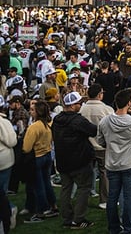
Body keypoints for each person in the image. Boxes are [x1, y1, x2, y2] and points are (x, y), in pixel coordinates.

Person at [97, 88, 131, 234]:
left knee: (113, 198)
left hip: (113, 164)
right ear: (129, 103)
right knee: (128, 197)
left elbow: (100, 141)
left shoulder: (105, 121)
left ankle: (114, 228)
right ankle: (128, 228)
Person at [51, 91, 98, 229]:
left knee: (66, 189)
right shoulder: (78, 120)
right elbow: (93, 130)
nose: (81, 105)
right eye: (79, 103)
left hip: (63, 161)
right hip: (79, 162)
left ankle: (67, 218)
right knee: (84, 188)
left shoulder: (57, 119)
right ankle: (78, 219)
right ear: (72, 105)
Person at [79, 84, 114, 209]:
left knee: (87, 173)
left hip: (86, 146)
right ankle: (104, 200)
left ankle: (85, 197)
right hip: (102, 146)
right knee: (104, 173)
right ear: (100, 95)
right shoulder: (107, 110)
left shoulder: (82, 110)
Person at [22, 100, 56, 223]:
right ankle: (53, 206)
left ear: (38, 112)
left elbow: (26, 147)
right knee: (46, 183)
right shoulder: (49, 124)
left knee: (38, 186)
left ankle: (42, 211)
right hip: (47, 155)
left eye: (33, 110)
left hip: (36, 157)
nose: (30, 111)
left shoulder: (34, 127)